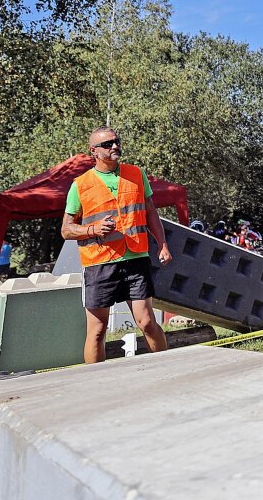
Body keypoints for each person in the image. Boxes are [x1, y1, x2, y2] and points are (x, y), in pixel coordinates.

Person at [60, 126, 172, 364]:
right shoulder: (80, 185)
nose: (115, 146)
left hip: (136, 259)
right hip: (99, 264)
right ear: (94, 151)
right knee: (98, 331)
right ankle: (96, 384)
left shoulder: (136, 174)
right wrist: (92, 229)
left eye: (117, 141)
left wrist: (162, 243)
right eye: (108, 144)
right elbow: (66, 229)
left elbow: (150, 211)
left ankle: (166, 369)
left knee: (147, 322)